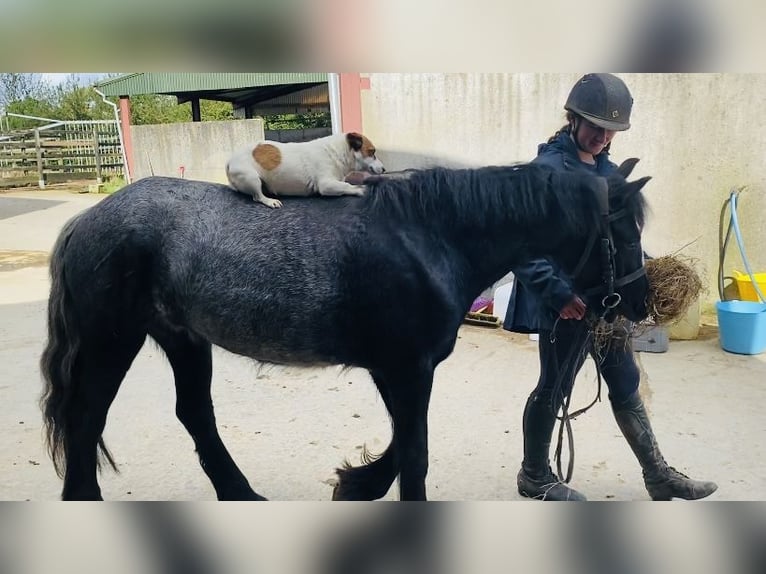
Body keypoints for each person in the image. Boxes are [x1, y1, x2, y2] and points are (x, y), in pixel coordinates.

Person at [504, 73, 718, 501]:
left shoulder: (606, 169)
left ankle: (656, 473)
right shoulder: (546, 172)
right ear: (573, 119)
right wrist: (557, 293)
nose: (603, 137)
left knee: (625, 381)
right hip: (566, 304)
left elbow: (615, 236)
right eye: (595, 126)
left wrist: (643, 273)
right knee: (555, 386)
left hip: (607, 302)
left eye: (611, 130)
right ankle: (534, 475)